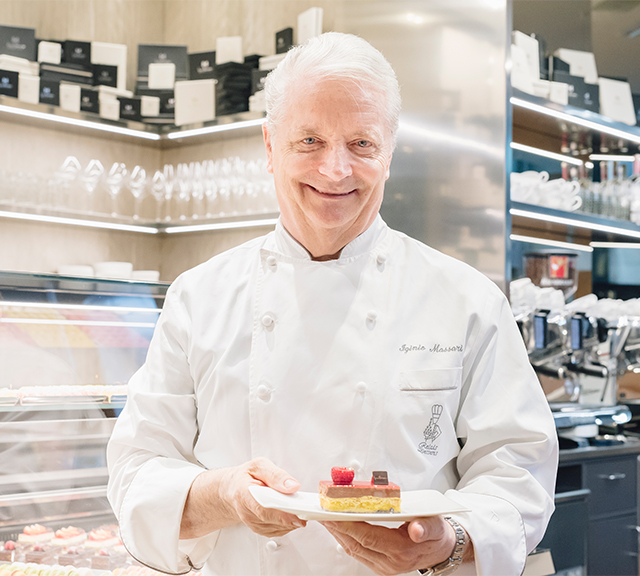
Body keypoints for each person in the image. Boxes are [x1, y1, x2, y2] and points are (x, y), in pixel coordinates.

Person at [107, 32, 557, 576]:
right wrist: (222, 494)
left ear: (389, 152)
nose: (335, 170)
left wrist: (451, 541)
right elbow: (137, 471)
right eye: (310, 141)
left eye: (361, 144)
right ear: (270, 148)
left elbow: (520, 473)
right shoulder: (198, 297)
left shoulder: (467, 301)